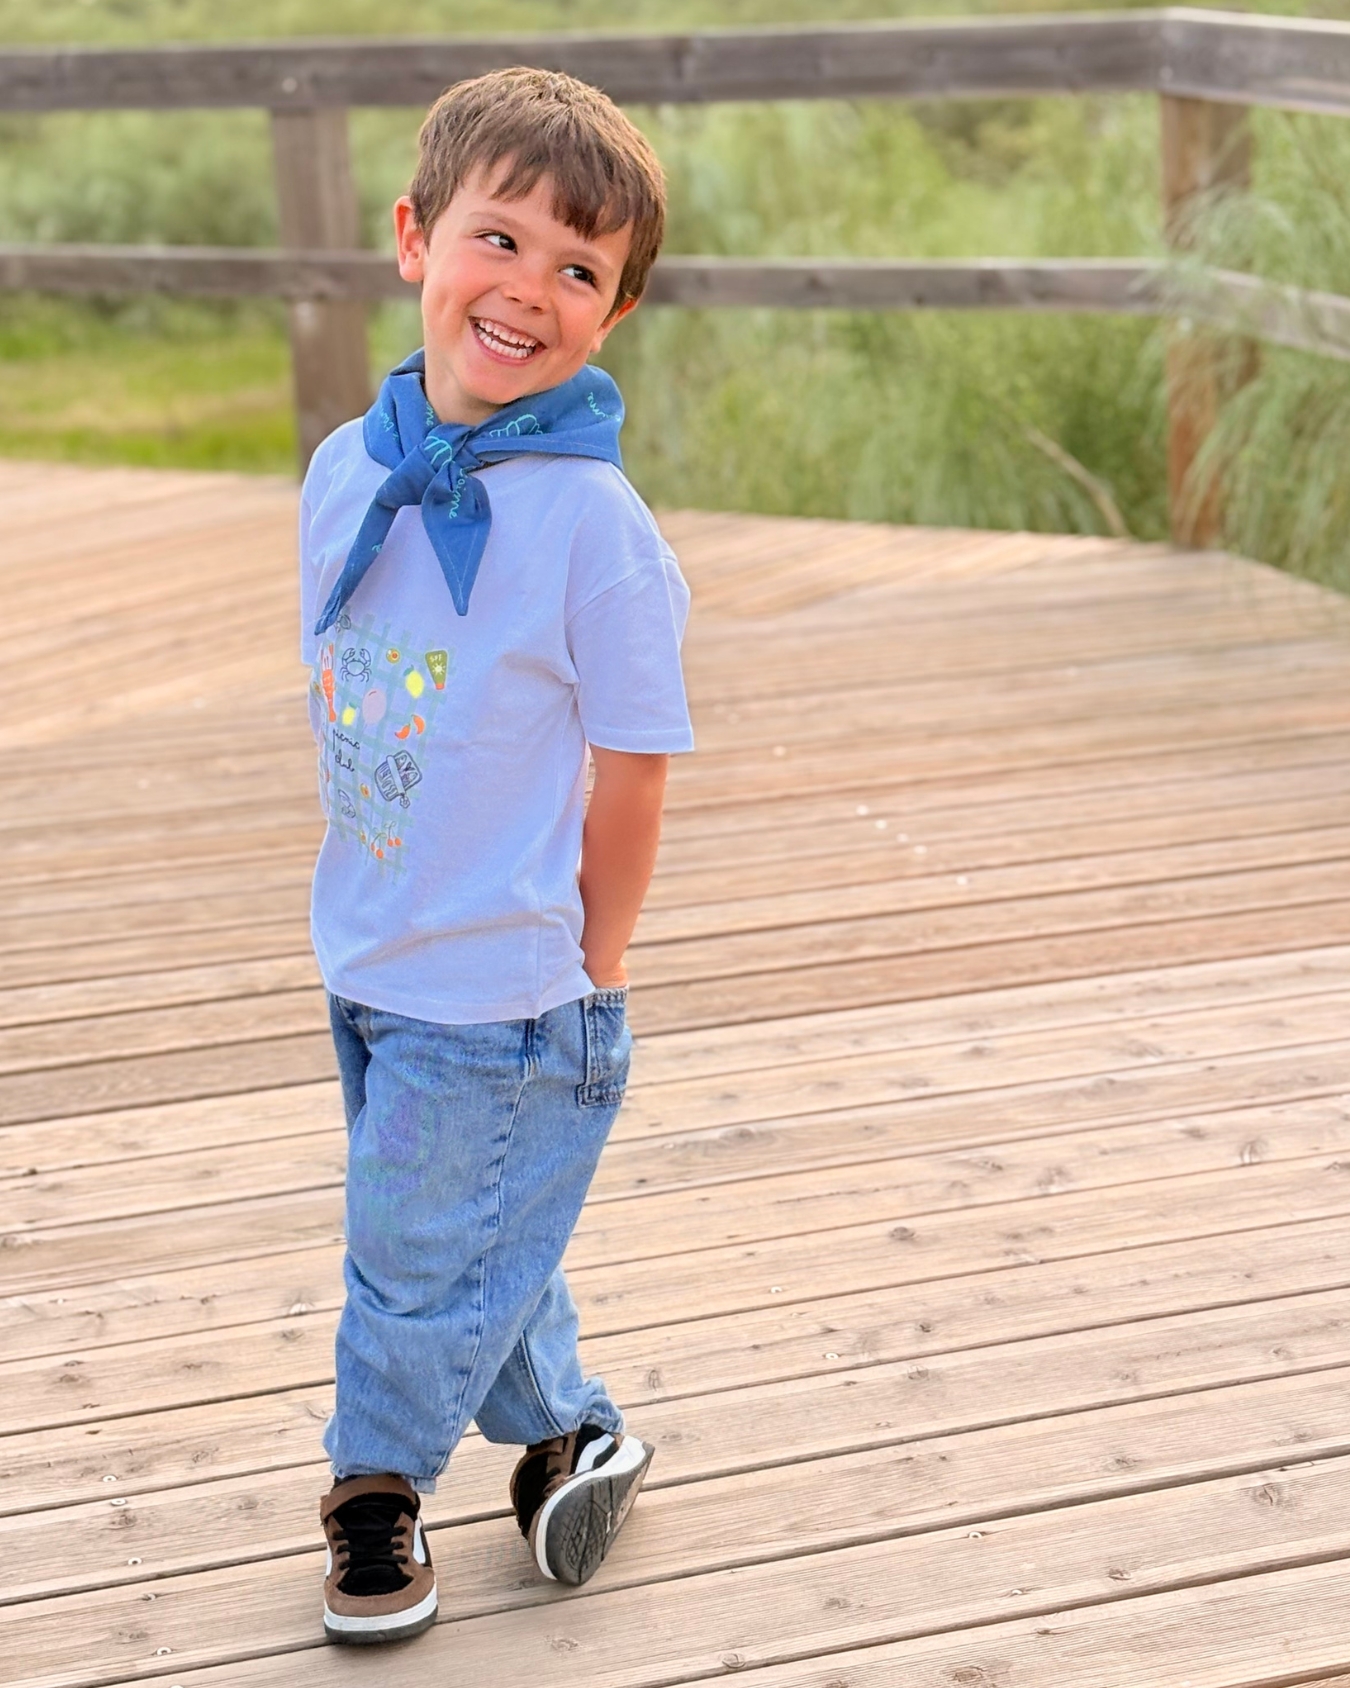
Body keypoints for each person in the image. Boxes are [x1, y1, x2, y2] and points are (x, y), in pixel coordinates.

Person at [297, 66, 693, 1646]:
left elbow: (635, 764)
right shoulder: (348, 471)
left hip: (509, 982)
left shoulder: (593, 528)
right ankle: (568, 1436)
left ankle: (371, 1491)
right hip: (374, 945)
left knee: (408, 1244)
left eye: (577, 269)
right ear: (413, 237)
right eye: (501, 237)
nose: (528, 288)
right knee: (473, 1231)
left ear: (613, 314)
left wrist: (587, 969)